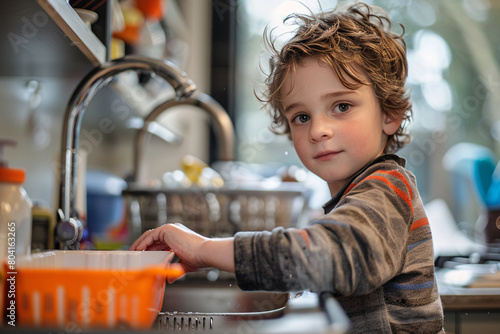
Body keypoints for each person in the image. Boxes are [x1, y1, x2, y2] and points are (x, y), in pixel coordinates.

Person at [130, 2, 444, 332]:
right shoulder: (353, 200)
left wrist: (204, 249)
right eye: (302, 117)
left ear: (389, 115)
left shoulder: (388, 187)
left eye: (341, 106)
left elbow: (329, 255)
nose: (318, 130)